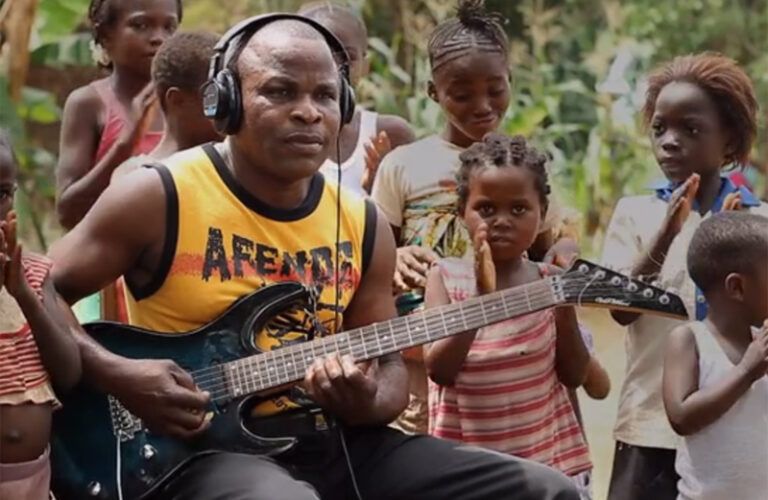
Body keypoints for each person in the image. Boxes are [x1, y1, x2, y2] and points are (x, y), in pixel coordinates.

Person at [49, 14, 579, 500]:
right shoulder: (159, 195)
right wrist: (117, 373)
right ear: (226, 102)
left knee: (545, 491)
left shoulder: (362, 220)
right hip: (195, 450)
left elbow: (389, 363)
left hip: (332, 439)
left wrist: (364, 397)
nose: (307, 111)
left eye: (325, 95)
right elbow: (37, 285)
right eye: (280, 91)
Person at [371, 0, 574, 434]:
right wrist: (398, 256)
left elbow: (542, 255)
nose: (482, 106)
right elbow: (375, 258)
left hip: (509, 360)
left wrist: (562, 250)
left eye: (495, 90)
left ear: (511, 82)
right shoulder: (405, 165)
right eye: (461, 95)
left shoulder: (526, 167)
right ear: (433, 92)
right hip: (423, 360)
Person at [601, 52, 768, 500]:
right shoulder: (636, 214)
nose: (669, 142)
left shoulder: (759, 224)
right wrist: (666, 234)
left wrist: (727, 235)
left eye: (690, 130)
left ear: (729, 142)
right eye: (660, 128)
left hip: (738, 433)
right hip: (650, 425)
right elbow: (619, 312)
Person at [424, 133, 592, 498]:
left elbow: (574, 374)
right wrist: (480, 302)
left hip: (540, 460)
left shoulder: (550, 283)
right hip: (468, 468)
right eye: (486, 209)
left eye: (518, 209)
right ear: (461, 212)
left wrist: (562, 305)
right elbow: (439, 370)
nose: (501, 221)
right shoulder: (445, 277)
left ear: (542, 213)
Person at [54, 0, 182, 323]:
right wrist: (126, 143)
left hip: (177, 271)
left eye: (169, 27)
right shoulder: (89, 104)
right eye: (141, 25)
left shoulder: (188, 103)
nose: (158, 38)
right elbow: (68, 212)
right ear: (105, 36)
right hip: (108, 280)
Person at [663, 211, 768, 500]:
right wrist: (747, 370)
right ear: (737, 287)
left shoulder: (761, 341)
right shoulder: (690, 339)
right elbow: (681, 417)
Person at [0, 132, 82, 500]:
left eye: (1, 195)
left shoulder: (32, 275)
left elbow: (69, 374)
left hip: (32, 484)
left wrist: (23, 296)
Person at [298, 1, 415, 195]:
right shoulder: (281, 135)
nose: (334, 68)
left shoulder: (391, 133)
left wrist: (383, 189)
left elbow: (415, 216)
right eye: (320, 54)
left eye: (347, 57)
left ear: (365, 66)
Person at [112, 31, 222, 180]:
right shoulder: (139, 177)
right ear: (177, 100)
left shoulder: (238, 169)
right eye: (216, 97)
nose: (231, 106)